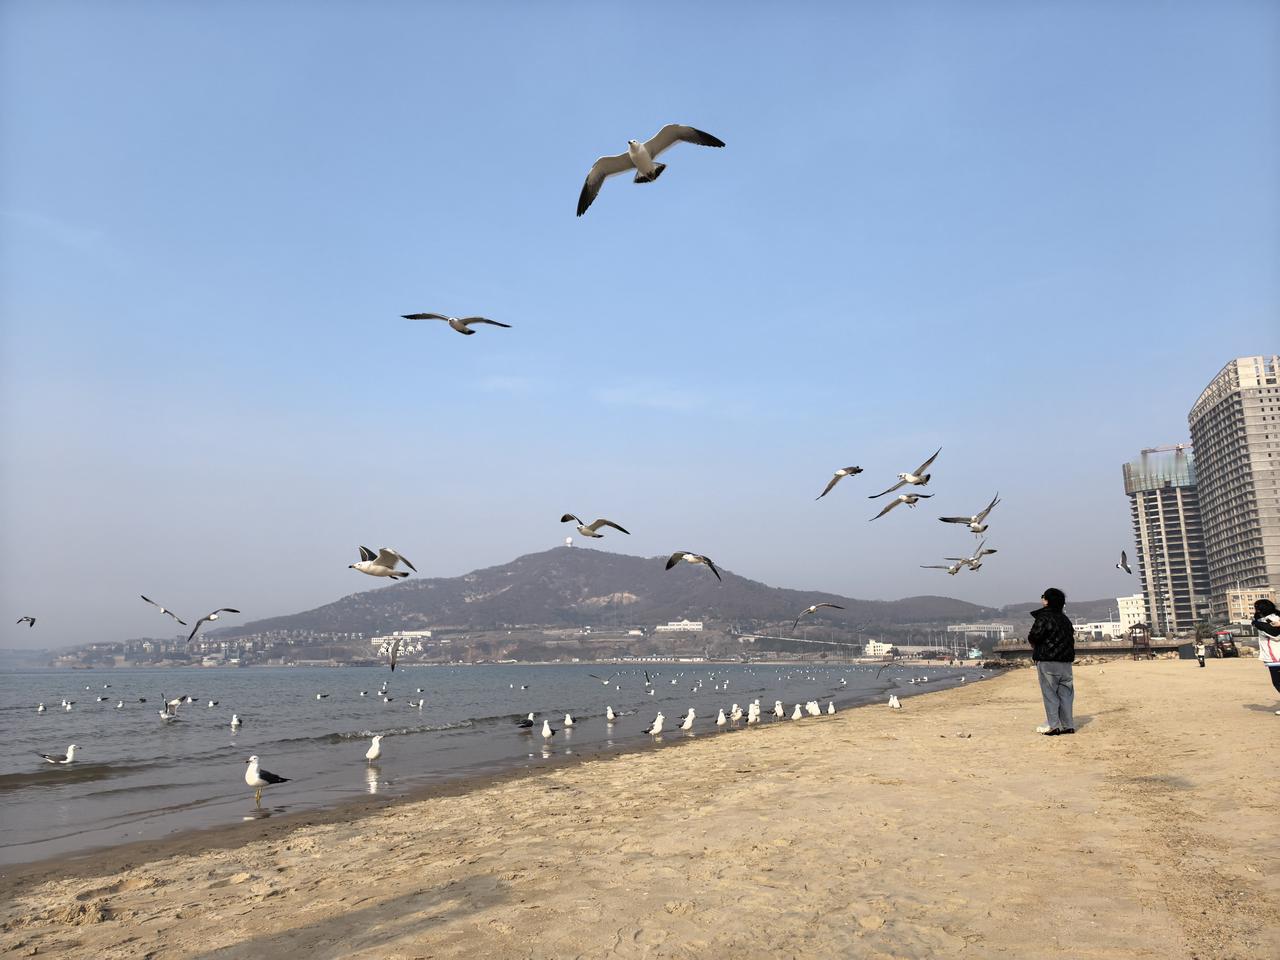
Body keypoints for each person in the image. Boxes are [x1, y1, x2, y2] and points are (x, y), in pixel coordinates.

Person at [1028, 587, 1075, 735]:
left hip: (1048, 661)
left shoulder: (1044, 617)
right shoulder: (1065, 619)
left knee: (1050, 694)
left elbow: (1034, 636)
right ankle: (1068, 725)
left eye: (1043, 597)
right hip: (1066, 662)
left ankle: (1054, 726)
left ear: (1046, 601)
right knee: (1066, 694)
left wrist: (1034, 645)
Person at [1251, 598, 1280, 715]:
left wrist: (1258, 624)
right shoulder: (1271, 618)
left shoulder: (1269, 620)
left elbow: (1276, 635)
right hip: (1274, 655)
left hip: (1275, 655)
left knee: (1277, 682)